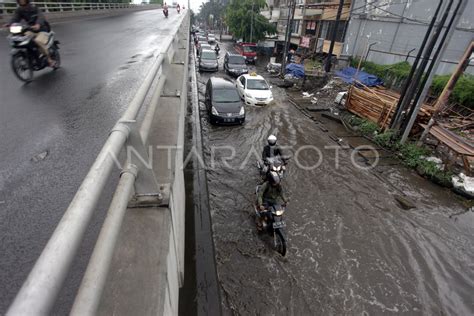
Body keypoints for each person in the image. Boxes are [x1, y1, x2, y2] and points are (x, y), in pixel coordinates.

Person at [7, 0, 56, 67]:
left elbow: (41, 17)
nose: (21, 0)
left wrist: (38, 24)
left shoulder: (34, 7)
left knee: (38, 41)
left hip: (42, 29)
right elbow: (15, 18)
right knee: (22, 39)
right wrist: (9, 24)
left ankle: (49, 60)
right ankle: (31, 55)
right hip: (30, 29)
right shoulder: (19, 10)